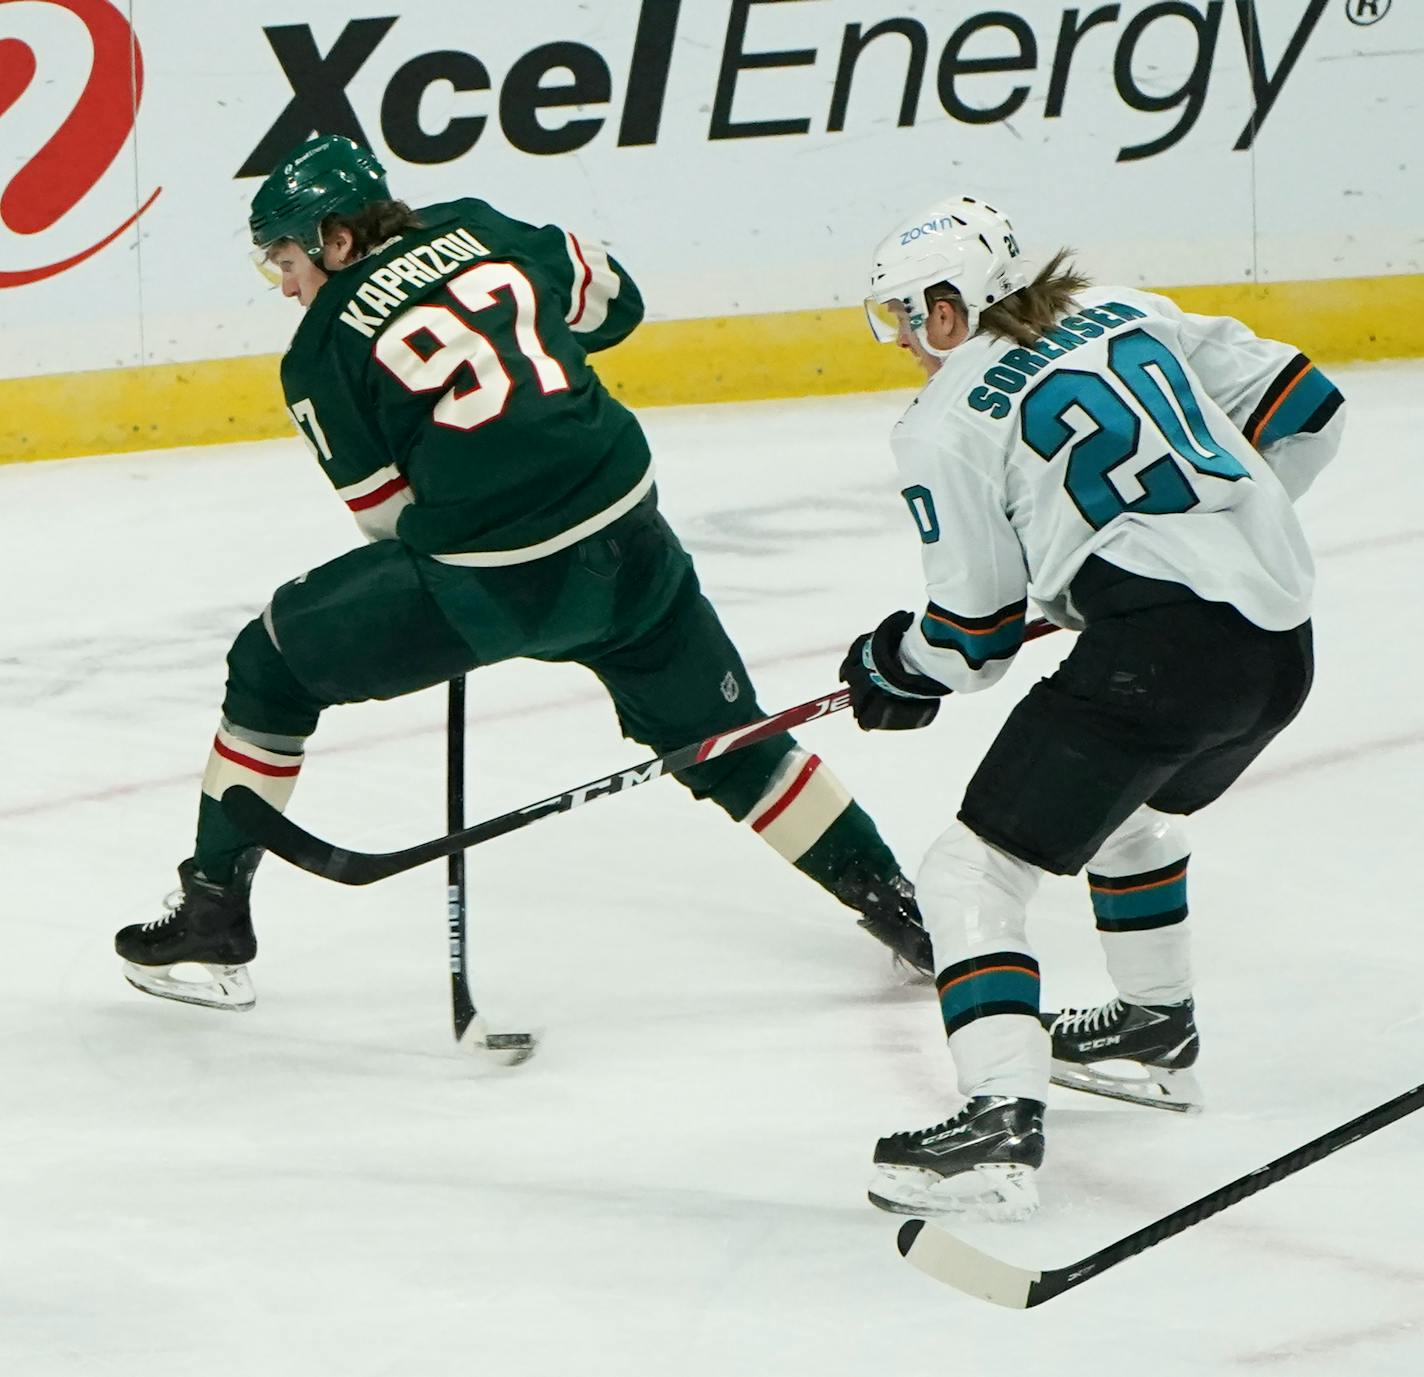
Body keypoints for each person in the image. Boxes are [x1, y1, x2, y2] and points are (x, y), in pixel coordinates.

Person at [113, 135, 931, 1012]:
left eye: (287, 259)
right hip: (631, 542)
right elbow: (618, 306)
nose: (285, 284)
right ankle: (906, 914)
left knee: (269, 663)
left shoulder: (318, 352)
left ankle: (213, 907)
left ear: (337, 240)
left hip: (494, 589)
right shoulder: (479, 225)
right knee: (729, 741)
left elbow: (389, 527)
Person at [838, 195, 1344, 1220]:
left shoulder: (942, 424)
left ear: (950, 309)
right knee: (1135, 815)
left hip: (1158, 659)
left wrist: (894, 664)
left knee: (967, 872)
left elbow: (970, 641)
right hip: (1277, 648)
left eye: (902, 317)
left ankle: (993, 1126)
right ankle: (1150, 1035)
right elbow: (1306, 406)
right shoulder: (1123, 312)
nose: (898, 341)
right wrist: (1192, 546)